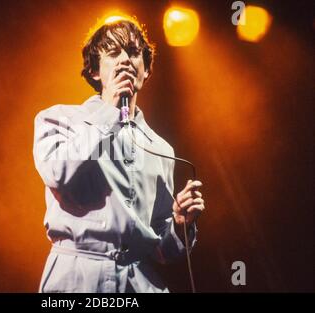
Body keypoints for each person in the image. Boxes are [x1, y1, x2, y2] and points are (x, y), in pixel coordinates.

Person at [33, 17, 205, 293]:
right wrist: (110, 111)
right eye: (113, 53)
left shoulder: (160, 148)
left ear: (146, 70)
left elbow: (161, 249)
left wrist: (179, 224)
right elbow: (58, 173)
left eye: (134, 53)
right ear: (95, 71)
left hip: (137, 283)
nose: (125, 59)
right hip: (77, 278)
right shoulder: (59, 119)